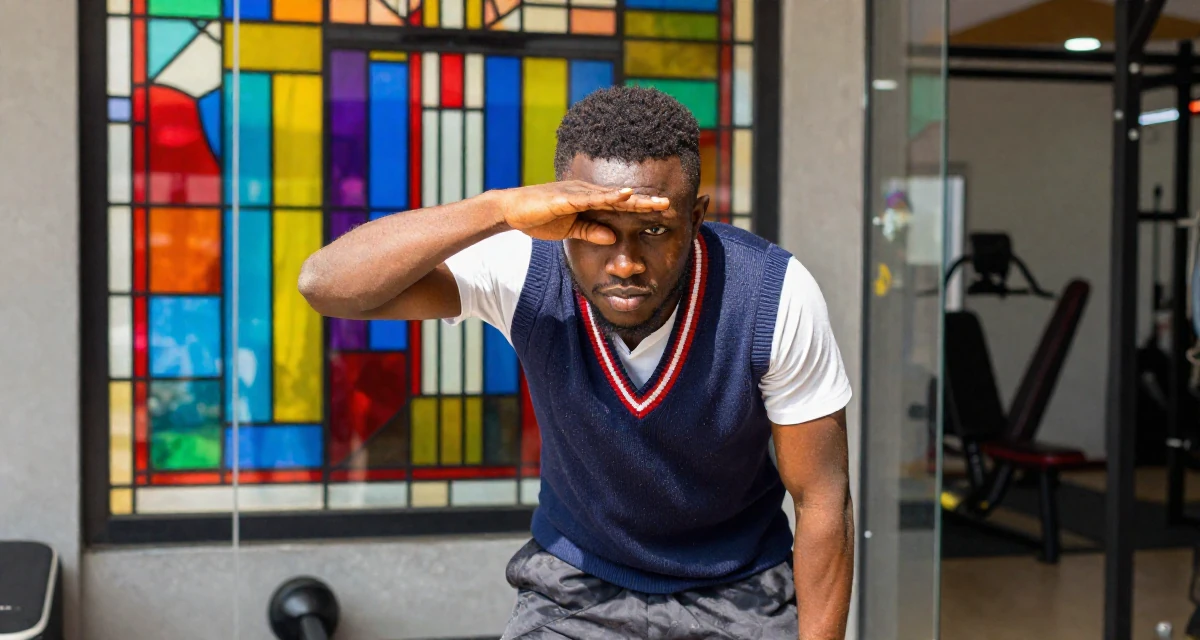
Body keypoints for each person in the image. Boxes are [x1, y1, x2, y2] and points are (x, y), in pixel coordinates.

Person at [298, 86, 854, 639]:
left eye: (654, 230)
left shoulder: (773, 294)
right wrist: (496, 210)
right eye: (596, 230)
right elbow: (327, 286)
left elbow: (822, 498)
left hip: (740, 588)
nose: (626, 263)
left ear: (697, 216)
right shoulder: (525, 267)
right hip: (579, 581)